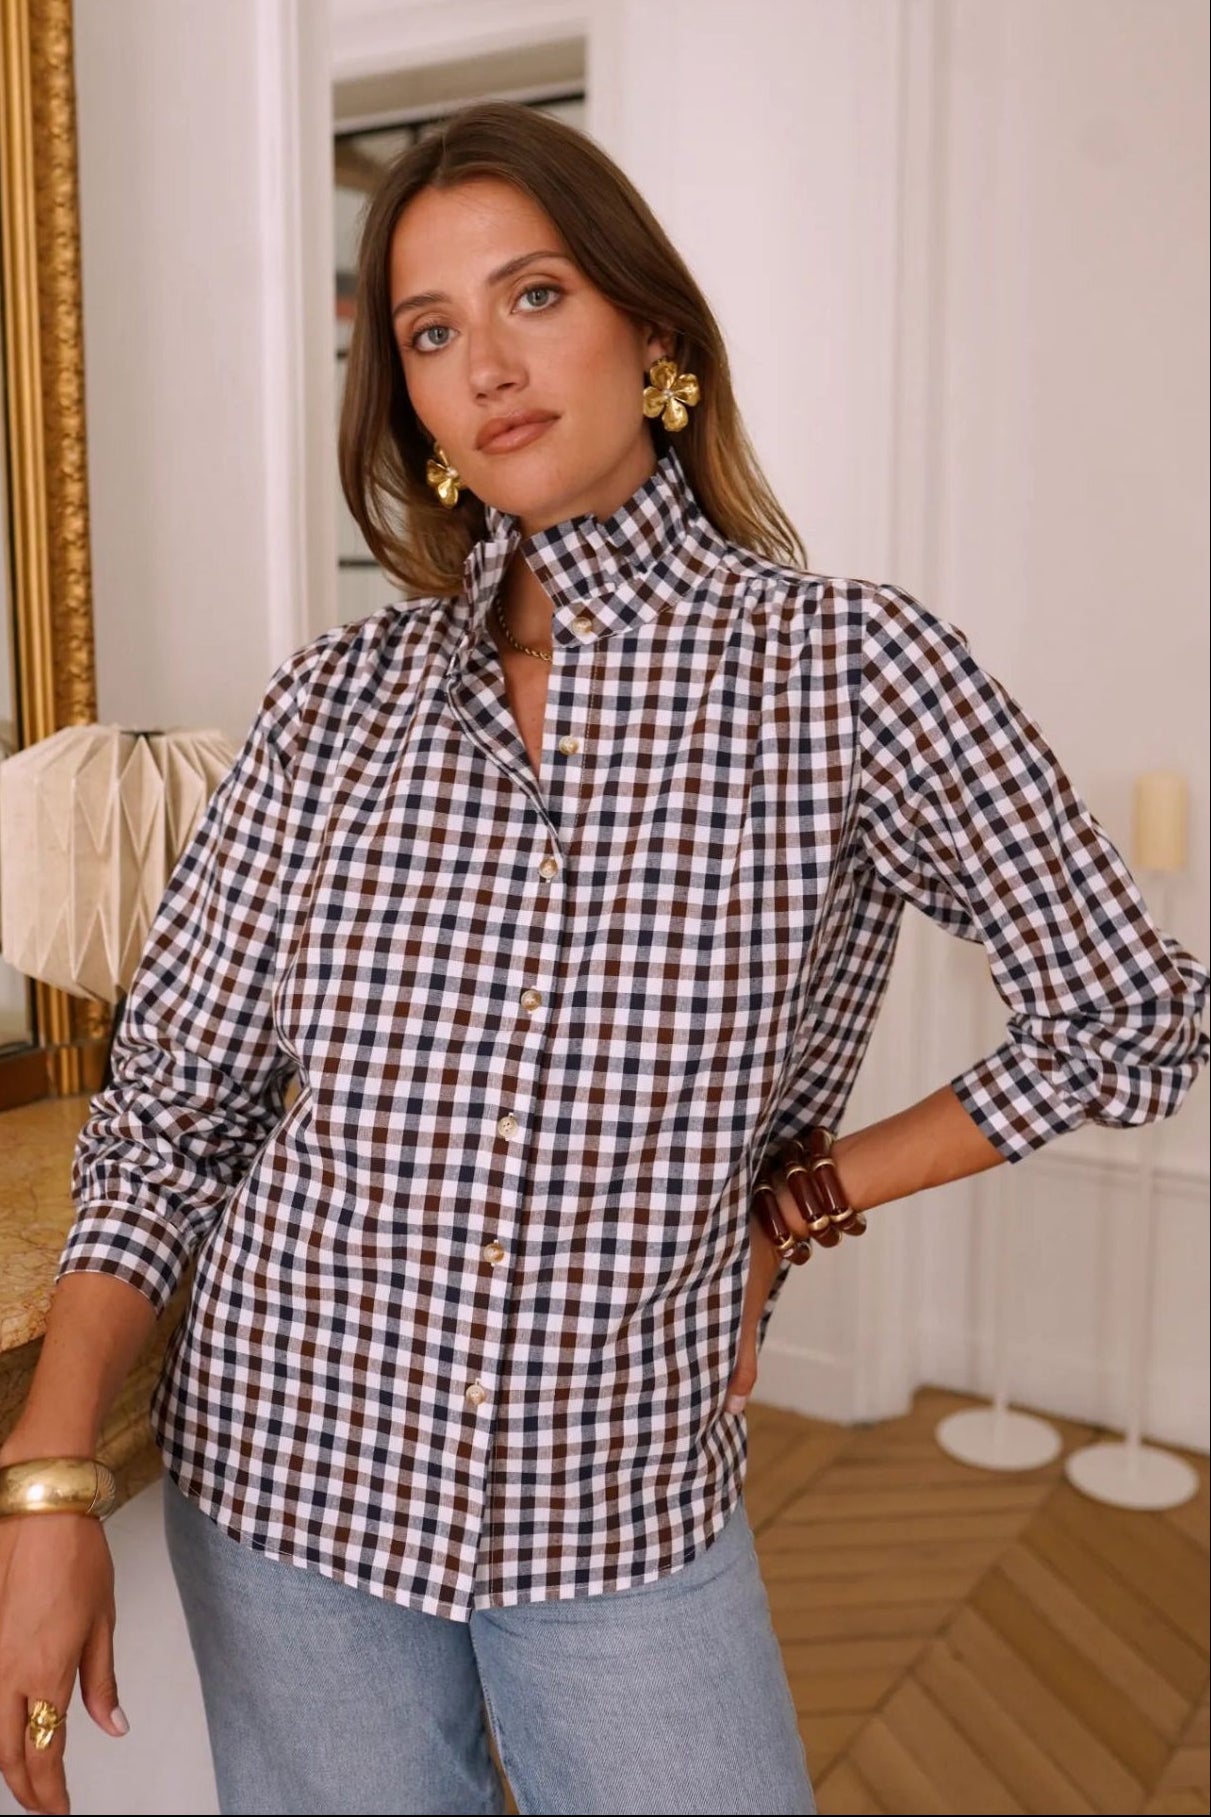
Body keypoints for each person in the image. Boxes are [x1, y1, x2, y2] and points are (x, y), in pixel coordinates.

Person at [0, 99, 1207, 1817]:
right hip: (282, 1472)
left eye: (536, 295)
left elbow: (1132, 1013)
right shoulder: (334, 704)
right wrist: (47, 1482)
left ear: (654, 332)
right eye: (430, 331)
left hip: (616, 1489)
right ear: (407, 402)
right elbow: (172, 1107)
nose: (486, 361)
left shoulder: (846, 672)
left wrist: (799, 1200)